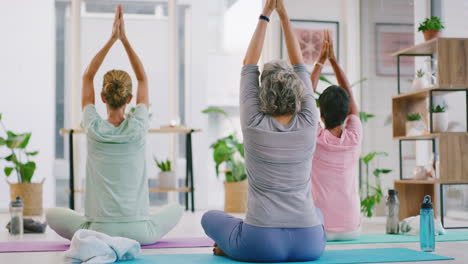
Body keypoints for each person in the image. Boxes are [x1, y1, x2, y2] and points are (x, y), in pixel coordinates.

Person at [46, 5, 183, 245]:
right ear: (130, 100)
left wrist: (112, 39)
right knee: (177, 209)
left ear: (102, 98)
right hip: (141, 232)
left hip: (98, 230)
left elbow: (87, 76)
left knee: (50, 214)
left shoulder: (93, 127)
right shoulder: (138, 125)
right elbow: (142, 78)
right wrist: (124, 40)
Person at [201, 0, 326, 262]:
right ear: (298, 92)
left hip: (261, 243)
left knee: (209, 217)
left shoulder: (253, 122)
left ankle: (233, 247)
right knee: (319, 215)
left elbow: (249, 63)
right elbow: (300, 62)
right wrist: (283, 13)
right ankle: (235, 245)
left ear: (261, 92)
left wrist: (266, 13)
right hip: (310, 243)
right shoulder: (308, 120)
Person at [310, 30, 363, 241]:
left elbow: (305, 96)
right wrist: (334, 61)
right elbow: (350, 99)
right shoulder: (354, 137)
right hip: (352, 229)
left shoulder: (315, 138)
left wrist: (320, 61)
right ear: (346, 113)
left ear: (320, 114)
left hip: (319, 229)